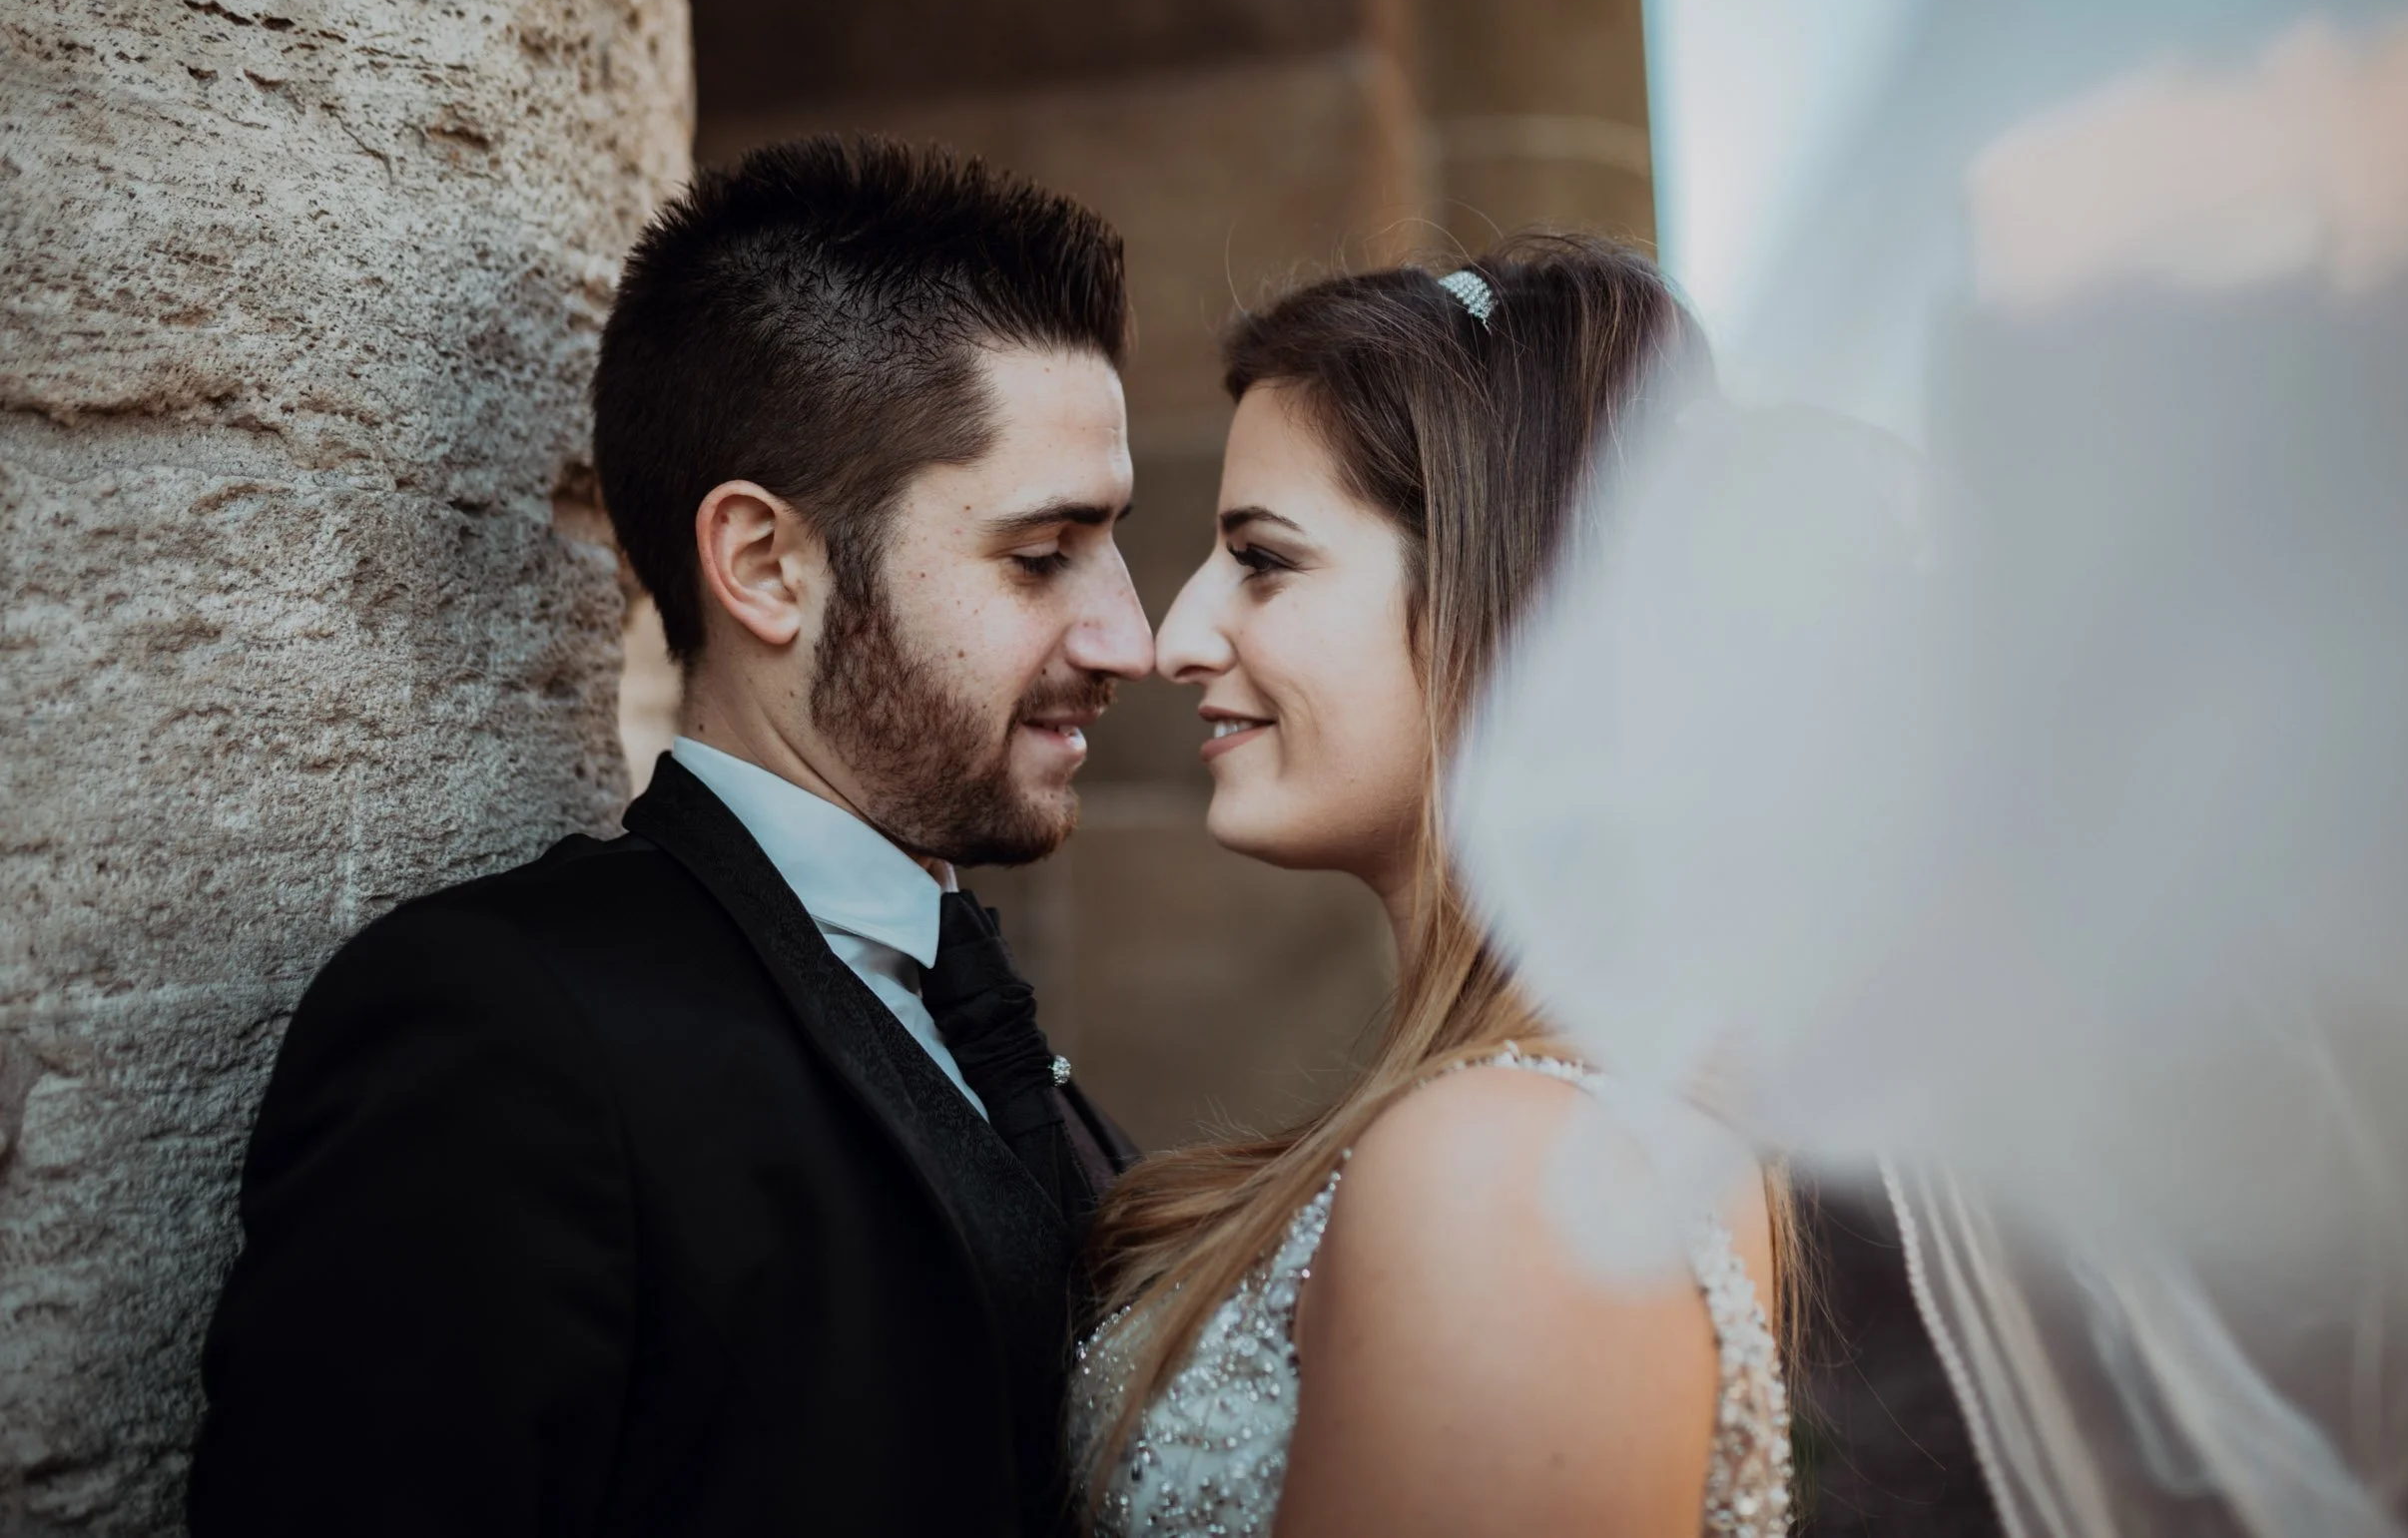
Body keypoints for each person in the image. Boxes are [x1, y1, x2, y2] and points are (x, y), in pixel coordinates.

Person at [190, 138, 1152, 1537]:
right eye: (1040, 552)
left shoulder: (971, 1004)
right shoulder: (500, 1034)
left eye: (1114, 541)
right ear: (767, 563)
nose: (1132, 632)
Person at [1068, 236, 1798, 1538]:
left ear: (1497, 599)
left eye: (1266, 558)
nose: (1176, 638)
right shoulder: (1527, 1131)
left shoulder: (1515, 1172)